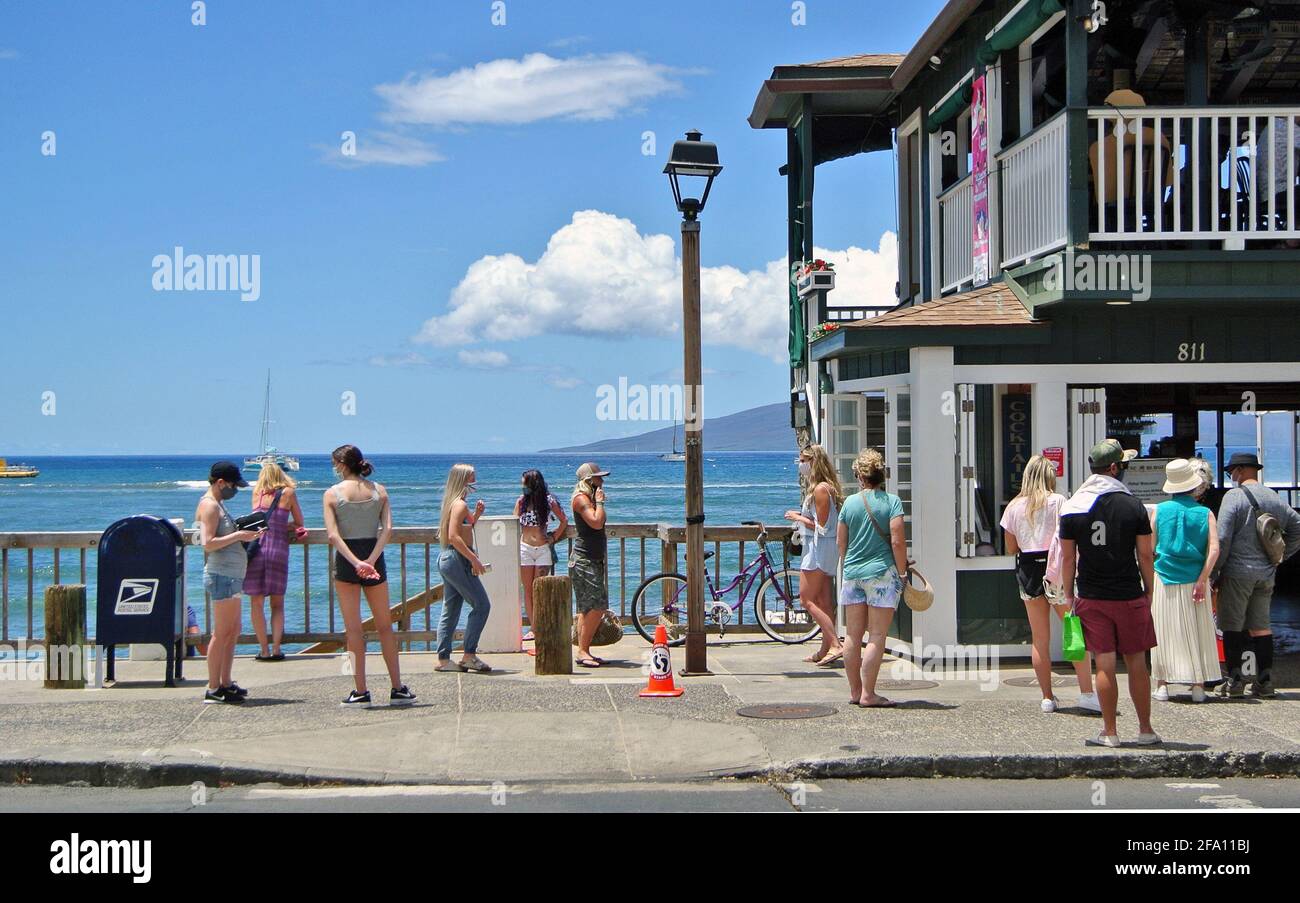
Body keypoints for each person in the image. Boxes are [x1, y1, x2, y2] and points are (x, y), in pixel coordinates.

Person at [1059, 439, 1159, 747]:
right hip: (1129, 593)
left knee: (1103, 663)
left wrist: (1069, 595)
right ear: (1114, 468)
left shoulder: (1073, 506)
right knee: (1136, 663)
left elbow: (1067, 557)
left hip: (1091, 594)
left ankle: (1110, 732)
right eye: (1123, 466)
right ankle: (1144, 730)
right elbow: (1145, 554)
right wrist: (1149, 590)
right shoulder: (1133, 506)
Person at [1000, 455, 1100, 713]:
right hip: (1057, 569)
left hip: (1028, 570)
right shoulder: (1059, 502)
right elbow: (1069, 538)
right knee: (1073, 630)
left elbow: (1011, 547)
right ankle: (1087, 693)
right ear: (1049, 477)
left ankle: (1047, 697)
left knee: (1039, 639)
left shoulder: (1013, 507)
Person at [323, 445, 416, 706]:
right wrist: (370, 561)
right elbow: (387, 530)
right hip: (374, 559)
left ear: (342, 464)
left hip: (347, 561)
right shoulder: (379, 491)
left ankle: (361, 691)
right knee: (385, 627)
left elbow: (333, 535)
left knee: (354, 631)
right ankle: (397, 688)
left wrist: (355, 563)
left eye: (335, 463)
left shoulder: (331, 494)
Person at [1212, 452, 1300, 698]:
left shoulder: (1234, 497)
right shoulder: (1273, 497)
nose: (1231, 477)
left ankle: (1235, 681)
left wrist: (1216, 569)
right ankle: (1264, 681)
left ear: (1240, 470)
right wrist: (1279, 558)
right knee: (1261, 626)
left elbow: (1222, 537)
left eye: (1231, 472)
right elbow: (1297, 527)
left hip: (1237, 572)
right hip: (1266, 573)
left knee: (1232, 626)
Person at [836, 449, 909, 708]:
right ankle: (869, 693)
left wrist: (851, 565)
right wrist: (902, 573)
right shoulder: (892, 502)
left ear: (859, 476)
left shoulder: (849, 503)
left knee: (853, 636)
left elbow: (840, 543)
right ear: (882, 475)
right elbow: (898, 541)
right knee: (877, 636)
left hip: (853, 574)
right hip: (881, 574)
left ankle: (856, 691)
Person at [1149, 459, 1220, 703]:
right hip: (1195, 579)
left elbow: (1150, 548)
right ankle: (1198, 686)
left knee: (1164, 631)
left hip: (1165, 576)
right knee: (1198, 631)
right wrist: (1203, 578)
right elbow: (1214, 550)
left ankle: (1162, 685)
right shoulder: (1205, 513)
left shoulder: (1160, 510)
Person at [195, 461, 260, 704]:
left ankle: (226, 681)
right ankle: (213, 687)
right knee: (221, 633)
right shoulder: (210, 506)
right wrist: (240, 535)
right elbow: (208, 543)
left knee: (233, 631)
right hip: (221, 574)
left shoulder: (219, 505)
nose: (235, 490)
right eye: (233, 485)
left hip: (233, 574)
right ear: (221, 482)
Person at [784, 444, 844, 665]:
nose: (801, 465)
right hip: (822, 548)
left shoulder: (820, 489)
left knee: (807, 599)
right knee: (824, 601)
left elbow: (823, 526)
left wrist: (798, 517)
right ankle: (824, 649)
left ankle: (837, 644)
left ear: (813, 462)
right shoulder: (824, 488)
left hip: (819, 549)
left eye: (803, 460)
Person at [245, 462, 308, 662]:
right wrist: (283, 525)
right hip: (278, 550)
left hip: (256, 550)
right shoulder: (288, 493)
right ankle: (277, 649)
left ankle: (263, 649)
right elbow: (299, 522)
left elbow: (255, 522)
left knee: (256, 602)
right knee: (277, 604)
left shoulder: (257, 493)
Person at [436, 463, 493, 673]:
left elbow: (463, 529)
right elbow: (454, 536)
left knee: (450, 610)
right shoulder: (459, 505)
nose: (475, 482)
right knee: (482, 605)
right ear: (464, 480)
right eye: (472, 478)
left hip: (448, 558)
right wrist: (473, 559)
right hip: (457, 558)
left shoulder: (456, 503)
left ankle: (444, 659)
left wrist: (476, 515)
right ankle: (469, 654)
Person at [515, 469, 568, 643]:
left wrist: (554, 537)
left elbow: (564, 520)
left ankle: (543, 624)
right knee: (528, 590)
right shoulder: (521, 502)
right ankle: (533, 627)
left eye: (525, 483)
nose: (522, 486)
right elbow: (512, 524)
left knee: (540, 589)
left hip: (543, 549)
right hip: (525, 549)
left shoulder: (548, 501)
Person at [570, 462, 610, 669]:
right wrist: (601, 503)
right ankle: (582, 650)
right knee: (596, 606)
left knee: (588, 607)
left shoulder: (589, 498)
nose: (602, 481)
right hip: (584, 559)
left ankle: (584, 650)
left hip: (593, 558)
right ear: (588, 480)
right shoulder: (581, 499)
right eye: (598, 478)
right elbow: (595, 522)